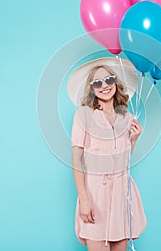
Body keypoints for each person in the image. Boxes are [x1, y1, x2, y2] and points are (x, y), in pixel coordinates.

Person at [67, 57, 147, 251]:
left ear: (116, 83)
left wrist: (133, 140)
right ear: (92, 89)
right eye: (97, 82)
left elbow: (123, 161)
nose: (104, 85)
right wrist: (84, 199)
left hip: (122, 193)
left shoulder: (126, 117)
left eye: (109, 80)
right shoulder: (83, 115)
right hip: (95, 194)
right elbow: (76, 160)